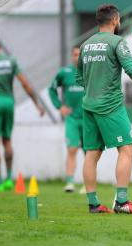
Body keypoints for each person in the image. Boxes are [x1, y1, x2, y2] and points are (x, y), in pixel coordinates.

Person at [76, 4, 132, 214]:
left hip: (88, 105)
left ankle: (93, 204)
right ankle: (122, 201)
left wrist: (93, 87)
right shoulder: (117, 42)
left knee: (91, 154)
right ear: (116, 20)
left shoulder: (85, 45)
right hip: (110, 105)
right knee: (127, 150)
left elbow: (79, 77)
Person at [0, 37, 45, 192]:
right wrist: (37, 105)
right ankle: (9, 179)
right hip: (9, 102)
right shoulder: (11, 61)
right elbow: (24, 83)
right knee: (7, 140)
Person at [48, 46, 85, 193]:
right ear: (71, 56)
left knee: (89, 152)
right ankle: (69, 183)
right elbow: (52, 89)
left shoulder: (90, 71)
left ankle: (86, 184)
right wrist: (59, 106)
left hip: (88, 118)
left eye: (80, 54)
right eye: (75, 54)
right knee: (72, 149)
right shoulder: (64, 73)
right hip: (72, 118)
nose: (77, 57)